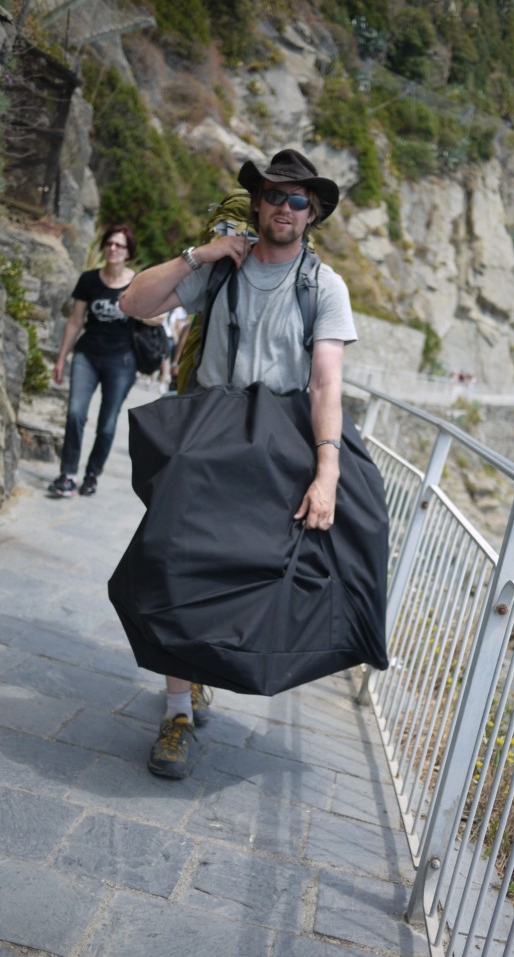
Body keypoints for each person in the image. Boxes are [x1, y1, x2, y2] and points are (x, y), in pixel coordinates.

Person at [120, 148, 356, 779]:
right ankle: (177, 711)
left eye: (298, 199)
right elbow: (135, 305)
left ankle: (204, 672)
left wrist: (327, 472)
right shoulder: (223, 267)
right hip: (210, 432)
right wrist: (199, 255)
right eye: (276, 195)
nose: (285, 206)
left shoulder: (322, 286)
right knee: (169, 560)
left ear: (312, 213)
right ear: (257, 202)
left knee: (246, 571)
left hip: (279, 445)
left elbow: (326, 383)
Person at [48, 224, 163, 498]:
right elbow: (75, 322)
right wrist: (61, 358)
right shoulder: (89, 280)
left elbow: (158, 316)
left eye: (119, 245)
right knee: (75, 413)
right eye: (109, 243)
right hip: (87, 354)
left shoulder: (138, 281)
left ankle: (92, 475)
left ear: (128, 252)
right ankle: (67, 474)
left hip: (121, 360)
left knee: (107, 422)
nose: (113, 248)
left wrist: (136, 308)